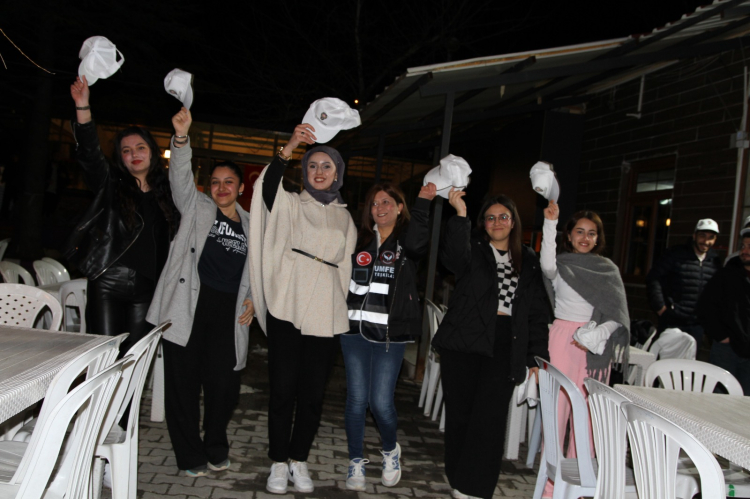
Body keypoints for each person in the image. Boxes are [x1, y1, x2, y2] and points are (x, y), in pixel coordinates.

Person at [249, 124, 357, 494]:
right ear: (304, 171)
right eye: (312, 165)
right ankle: (278, 462)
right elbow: (267, 188)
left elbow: (346, 268)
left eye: (327, 166)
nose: (319, 171)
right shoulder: (292, 204)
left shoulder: (345, 217)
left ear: (337, 173)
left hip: (326, 311)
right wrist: (291, 146)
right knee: (282, 389)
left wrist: (338, 305)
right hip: (288, 304)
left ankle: (299, 459)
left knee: (312, 394)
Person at [146, 108, 253, 476]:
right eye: (216, 181)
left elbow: (260, 273)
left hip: (229, 312)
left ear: (241, 188)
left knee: (225, 386)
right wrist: (181, 139)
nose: (222, 187)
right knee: (183, 385)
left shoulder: (254, 226)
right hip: (189, 305)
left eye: (229, 182)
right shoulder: (197, 207)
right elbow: (179, 178)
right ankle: (190, 455)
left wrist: (254, 300)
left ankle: (215, 443)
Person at [431, 190, 550, 499]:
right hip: (464, 340)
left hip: (505, 342)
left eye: (503, 217)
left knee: (491, 417)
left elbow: (536, 313)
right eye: (490, 217)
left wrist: (536, 357)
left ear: (514, 222)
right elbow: (451, 258)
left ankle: (476, 487)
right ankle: (458, 478)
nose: (497, 222)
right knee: (461, 414)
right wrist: (460, 214)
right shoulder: (472, 249)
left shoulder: (529, 259)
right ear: (483, 223)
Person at [66, 76, 179, 354]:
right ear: (121, 158)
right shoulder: (111, 186)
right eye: (126, 151)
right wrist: (83, 106)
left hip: (147, 287)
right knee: (105, 355)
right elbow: (90, 155)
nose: (134, 154)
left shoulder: (169, 193)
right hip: (108, 282)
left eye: (140, 148)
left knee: (134, 359)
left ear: (152, 153)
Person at [343, 181, 436, 491]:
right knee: (356, 400)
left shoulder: (406, 241)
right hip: (354, 330)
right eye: (374, 203)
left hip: (388, 334)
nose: (379, 208)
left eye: (386, 202)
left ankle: (389, 451)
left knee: (381, 403)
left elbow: (419, 244)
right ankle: (356, 461)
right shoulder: (360, 240)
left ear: (399, 207)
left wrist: (422, 204)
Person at [540, 200, 630, 497]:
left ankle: (580, 487)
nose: (585, 237)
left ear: (598, 238)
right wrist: (550, 223)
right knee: (557, 411)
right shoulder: (560, 265)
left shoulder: (608, 270)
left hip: (595, 347)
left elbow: (618, 314)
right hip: (562, 339)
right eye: (579, 231)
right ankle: (551, 487)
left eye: (592, 233)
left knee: (589, 415)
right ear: (569, 235)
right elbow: (545, 263)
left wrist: (600, 332)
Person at [646, 218, 722, 345]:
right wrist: (660, 307)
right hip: (673, 320)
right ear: (694, 236)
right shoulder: (675, 254)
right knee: (665, 356)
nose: (706, 241)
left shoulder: (715, 262)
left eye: (711, 237)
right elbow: (653, 278)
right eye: (702, 236)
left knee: (690, 357)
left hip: (697, 325)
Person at [698, 227, 750, 394]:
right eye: (743, 246)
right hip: (727, 350)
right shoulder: (727, 275)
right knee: (721, 397)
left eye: (749, 247)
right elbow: (706, 305)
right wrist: (720, 335)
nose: (745, 251)